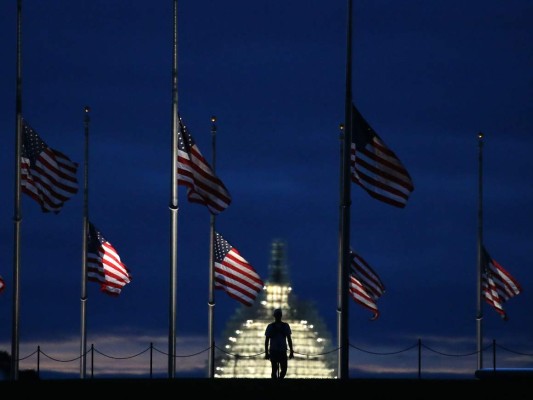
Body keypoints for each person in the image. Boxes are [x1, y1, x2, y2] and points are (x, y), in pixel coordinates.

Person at [264, 308, 294, 379]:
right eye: (277, 315)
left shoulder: (285, 326)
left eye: (279, 315)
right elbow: (267, 340)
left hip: (282, 350)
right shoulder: (270, 326)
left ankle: (279, 379)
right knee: (274, 369)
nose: (278, 316)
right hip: (274, 350)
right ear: (275, 316)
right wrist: (266, 352)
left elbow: (289, 339)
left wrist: (291, 350)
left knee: (284, 369)